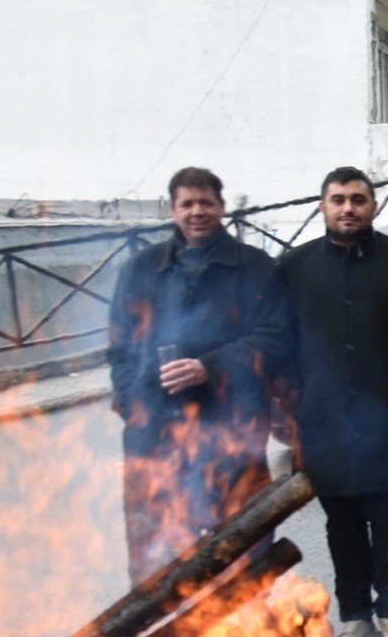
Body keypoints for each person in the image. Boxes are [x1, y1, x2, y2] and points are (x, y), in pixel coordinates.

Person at [108, 166, 289, 583]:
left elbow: (275, 341)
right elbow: (118, 349)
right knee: (160, 553)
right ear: (172, 210)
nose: (197, 212)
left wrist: (211, 367)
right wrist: (131, 403)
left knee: (243, 544)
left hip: (231, 432)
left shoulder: (254, 267)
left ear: (222, 207)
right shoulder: (140, 269)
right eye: (187, 204)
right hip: (155, 435)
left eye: (206, 202)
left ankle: (251, 635)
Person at [278, 166, 388, 637]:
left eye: (358, 199)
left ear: (374, 205)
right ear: (322, 206)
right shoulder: (294, 267)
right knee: (341, 526)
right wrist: (296, 400)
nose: (348, 208)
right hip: (323, 423)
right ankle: (355, 618)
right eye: (338, 199)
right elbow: (281, 343)